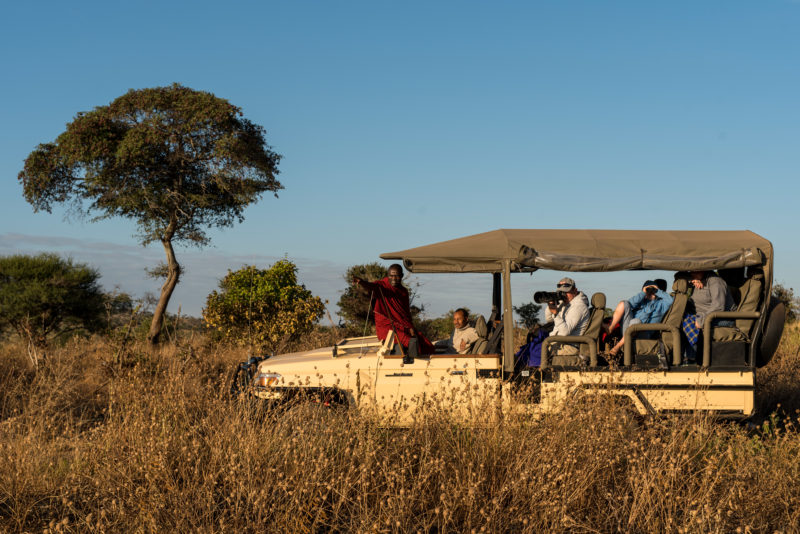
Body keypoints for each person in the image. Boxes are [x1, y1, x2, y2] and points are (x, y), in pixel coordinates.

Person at [353, 264, 435, 355]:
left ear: (402, 276)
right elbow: (371, 286)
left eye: (397, 276)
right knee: (408, 340)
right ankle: (412, 363)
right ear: (387, 276)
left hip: (402, 325)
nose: (394, 278)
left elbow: (406, 313)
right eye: (391, 276)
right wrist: (361, 282)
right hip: (386, 327)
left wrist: (410, 327)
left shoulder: (403, 292)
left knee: (424, 343)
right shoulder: (382, 286)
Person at [605, 280, 674, 356]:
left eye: (652, 290)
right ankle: (610, 328)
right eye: (648, 290)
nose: (650, 292)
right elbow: (629, 303)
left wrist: (657, 291)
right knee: (624, 303)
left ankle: (617, 346)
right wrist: (643, 293)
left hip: (644, 333)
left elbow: (670, 301)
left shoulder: (661, 304)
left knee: (636, 321)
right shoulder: (641, 301)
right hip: (628, 330)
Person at [681, 270, 736, 362]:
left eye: (696, 271)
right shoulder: (696, 280)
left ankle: (696, 358)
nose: (693, 274)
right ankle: (688, 357)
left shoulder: (715, 281)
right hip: (702, 315)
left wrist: (702, 320)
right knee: (681, 319)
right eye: (691, 272)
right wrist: (692, 279)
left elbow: (718, 307)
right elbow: (679, 275)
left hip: (722, 317)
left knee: (690, 323)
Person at [544, 277, 591, 361]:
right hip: (559, 342)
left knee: (534, 352)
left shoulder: (578, 306)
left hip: (569, 345)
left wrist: (556, 313)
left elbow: (564, 332)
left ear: (575, 290)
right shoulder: (566, 303)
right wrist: (550, 305)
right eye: (561, 292)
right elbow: (549, 320)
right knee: (530, 348)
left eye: (566, 292)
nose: (564, 295)